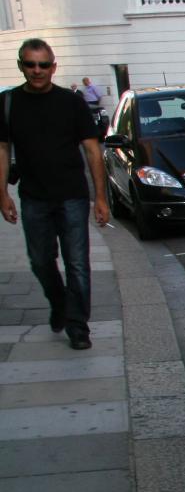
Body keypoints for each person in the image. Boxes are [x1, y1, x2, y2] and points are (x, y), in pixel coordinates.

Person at [0, 39, 110, 350]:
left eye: (43, 65)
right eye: (30, 64)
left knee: (77, 263)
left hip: (72, 196)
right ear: (21, 66)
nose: (37, 70)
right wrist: (2, 194)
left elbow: (92, 150)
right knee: (40, 261)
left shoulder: (71, 102)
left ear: (53, 67)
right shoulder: (8, 103)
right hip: (33, 196)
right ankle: (59, 302)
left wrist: (100, 197)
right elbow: (2, 148)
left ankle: (77, 326)